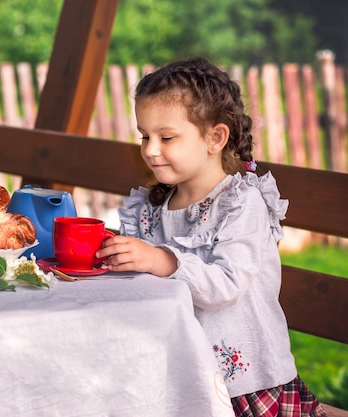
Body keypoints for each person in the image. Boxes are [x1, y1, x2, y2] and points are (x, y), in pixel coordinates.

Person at [96, 57, 327, 417]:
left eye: (166, 137)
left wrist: (162, 260)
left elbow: (226, 285)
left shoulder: (241, 203)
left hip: (244, 387)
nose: (150, 149)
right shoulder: (150, 207)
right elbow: (135, 284)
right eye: (145, 136)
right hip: (177, 379)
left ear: (215, 138)